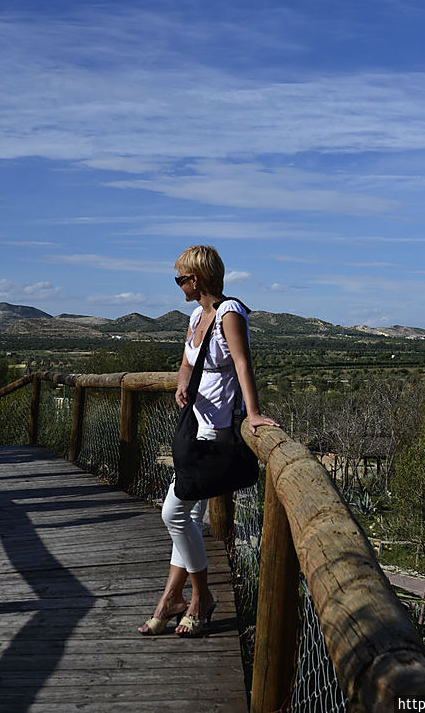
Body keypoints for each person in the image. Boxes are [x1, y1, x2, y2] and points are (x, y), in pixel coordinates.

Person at [139, 245, 278, 637]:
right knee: (189, 518)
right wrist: (183, 383)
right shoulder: (196, 316)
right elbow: (187, 361)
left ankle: (200, 596)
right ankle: (172, 599)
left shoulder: (229, 313)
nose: (178, 285)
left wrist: (252, 415)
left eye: (180, 279)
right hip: (193, 427)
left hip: (214, 432)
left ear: (195, 279)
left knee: (174, 514)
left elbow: (242, 363)